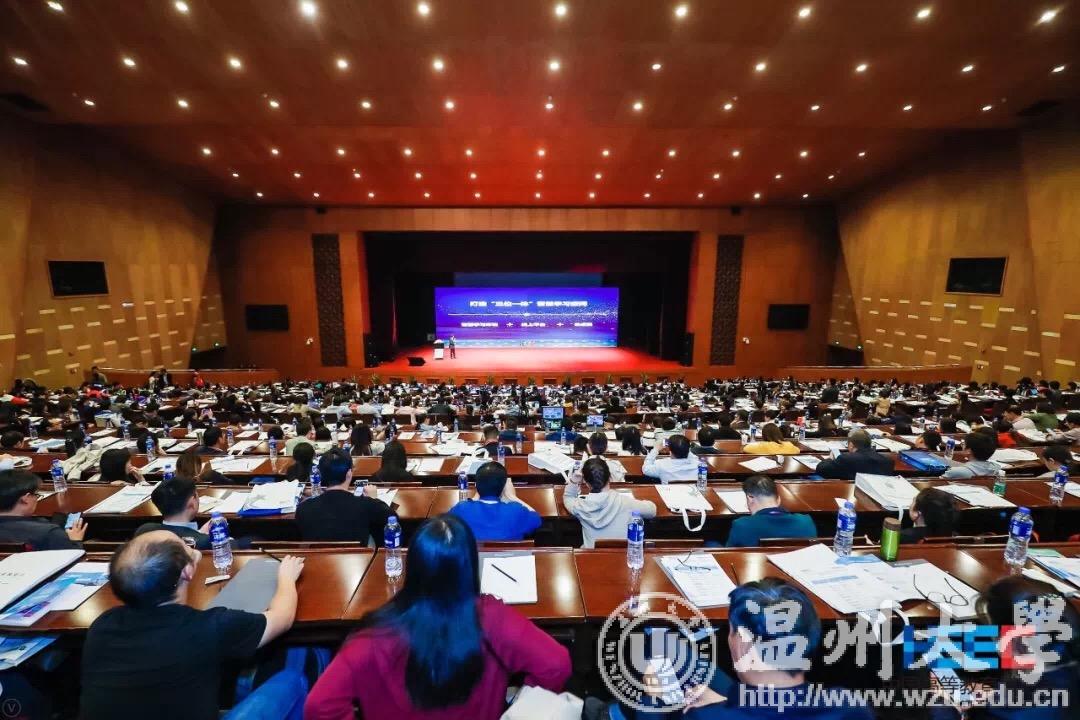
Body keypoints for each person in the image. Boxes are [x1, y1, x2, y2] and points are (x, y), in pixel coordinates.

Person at [304, 515, 571, 719]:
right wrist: (520, 703)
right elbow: (557, 664)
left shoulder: (374, 637)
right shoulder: (495, 621)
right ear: (471, 565)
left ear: (413, 566)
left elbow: (319, 705)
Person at [80, 531, 307, 720]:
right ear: (187, 572)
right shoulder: (210, 627)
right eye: (183, 545)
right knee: (292, 680)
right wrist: (286, 578)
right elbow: (282, 617)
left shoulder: (101, 627)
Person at [676, 579, 873, 720]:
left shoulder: (702, 716)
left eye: (731, 630)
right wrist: (724, 703)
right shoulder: (852, 707)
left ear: (744, 643)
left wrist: (714, 709)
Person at [296, 447, 391, 543]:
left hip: (317, 553)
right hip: (358, 552)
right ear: (349, 473)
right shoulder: (367, 504)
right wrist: (374, 499)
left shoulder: (303, 508)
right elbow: (392, 521)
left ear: (320, 475)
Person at [564, 457, 657, 548]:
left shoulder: (580, 506)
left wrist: (574, 480)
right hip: (623, 555)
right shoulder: (626, 502)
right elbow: (652, 510)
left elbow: (568, 497)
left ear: (586, 483)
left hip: (591, 555)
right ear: (610, 477)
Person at [136, 476, 240, 550]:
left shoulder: (144, 531)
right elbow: (233, 546)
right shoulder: (205, 542)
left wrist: (199, 532)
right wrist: (203, 535)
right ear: (191, 503)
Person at [449, 461, 541, 541]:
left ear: (476, 486)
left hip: (473, 556)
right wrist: (512, 496)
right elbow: (537, 519)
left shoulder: (462, 509)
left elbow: (447, 523)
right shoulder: (516, 510)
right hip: (508, 556)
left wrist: (475, 497)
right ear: (504, 487)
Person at [0, 469, 86, 549]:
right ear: (26, 499)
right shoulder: (50, 533)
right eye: (36, 495)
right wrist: (76, 541)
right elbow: (73, 556)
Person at [725, 475, 816, 547]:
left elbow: (728, 555)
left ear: (750, 499)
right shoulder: (806, 522)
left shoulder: (741, 525)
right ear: (779, 499)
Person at [814, 429, 894, 480]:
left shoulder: (846, 459)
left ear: (851, 445)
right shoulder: (888, 461)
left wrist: (830, 458)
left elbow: (821, 469)